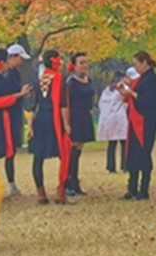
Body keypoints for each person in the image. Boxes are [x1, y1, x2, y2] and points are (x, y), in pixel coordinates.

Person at [31, 49, 71, 204]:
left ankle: (40, 192)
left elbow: (33, 105)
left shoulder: (39, 80)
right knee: (64, 154)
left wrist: (30, 126)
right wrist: (66, 124)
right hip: (55, 120)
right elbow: (63, 103)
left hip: (40, 119)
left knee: (38, 157)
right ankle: (61, 190)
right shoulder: (60, 79)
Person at [120, 51, 156, 200]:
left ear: (144, 63)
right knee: (133, 153)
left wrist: (132, 93)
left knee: (143, 153)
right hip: (135, 119)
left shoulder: (152, 79)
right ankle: (132, 188)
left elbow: (148, 100)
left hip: (145, 121)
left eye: (136, 64)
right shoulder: (142, 79)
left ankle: (143, 189)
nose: (135, 67)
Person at [65, 52, 95, 197]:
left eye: (86, 62)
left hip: (85, 116)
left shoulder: (88, 80)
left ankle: (75, 181)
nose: (84, 65)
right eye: (81, 63)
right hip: (74, 117)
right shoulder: (70, 83)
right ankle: (67, 182)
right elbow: (66, 102)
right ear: (74, 65)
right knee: (71, 151)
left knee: (78, 151)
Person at [4, 42, 30, 196]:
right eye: (20, 58)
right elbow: (6, 96)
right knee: (8, 150)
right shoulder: (7, 75)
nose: (21, 61)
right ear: (13, 57)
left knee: (11, 150)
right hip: (8, 116)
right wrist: (21, 94)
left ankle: (12, 184)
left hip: (14, 114)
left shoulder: (15, 73)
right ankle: (10, 184)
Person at [97, 72, 128, 172]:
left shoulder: (107, 90)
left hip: (109, 118)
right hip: (120, 117)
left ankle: (110, 167)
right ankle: (125, 166)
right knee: (124, 143)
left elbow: (100, 104)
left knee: (112, 144)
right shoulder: (122, 88)